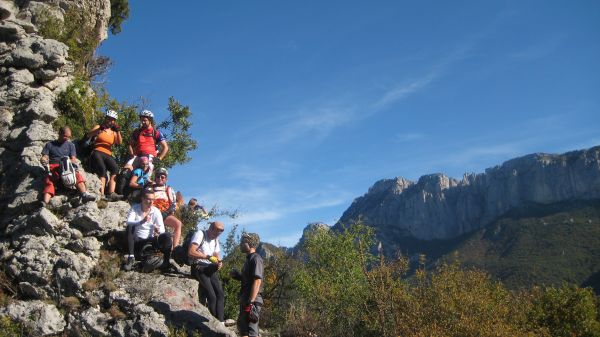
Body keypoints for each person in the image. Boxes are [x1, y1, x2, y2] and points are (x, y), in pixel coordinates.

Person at [39, 126, 95, 207]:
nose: (67, 138)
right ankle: (45, 202)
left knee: (77, 175)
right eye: (65, 136)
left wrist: (67, 163)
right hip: (54, 167)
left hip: (66, 167)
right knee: (49, 179)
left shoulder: (70, 145)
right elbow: (45, 156)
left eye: (69, 137)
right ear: (60, 133)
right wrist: (43, 159)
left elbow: (73, 159)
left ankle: (84, 195)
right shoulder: (50, 144)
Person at [123, 189, 173, 272]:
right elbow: (129, 222)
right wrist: (142, 221)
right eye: (149, 199)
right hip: (137, 241)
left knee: (167, 236)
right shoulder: (135, 208)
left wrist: (158, 231)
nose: (151, 202)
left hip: (150, 241)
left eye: (153, 199)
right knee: (130, 227)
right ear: (142, 199)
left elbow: (162, 230)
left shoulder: (156, 211)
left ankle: (166, 262)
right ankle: (131, 258)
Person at [188, 221, 225, 322]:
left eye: (220, 233)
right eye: (216, 232)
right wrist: (207, 257)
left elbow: (216, 254)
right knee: (212, 295)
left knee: (220, 294)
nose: (217, 235)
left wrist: (219, 262)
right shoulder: (200, 234)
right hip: (198, 266)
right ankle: (214, 322)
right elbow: (191, 251)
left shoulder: (215, 240)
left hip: (209, 267)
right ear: (211, 228)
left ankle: (221, 321)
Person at [231, 233, 263, 337]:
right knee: (243, 329)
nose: (240, 244)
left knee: (251, 330)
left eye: (242, 242)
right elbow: (249, 280)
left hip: (252, 300)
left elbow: (257, 281)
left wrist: (251, 302)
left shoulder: (256, 258)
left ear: (249, 244)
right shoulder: (249, 259)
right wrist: (238, 276)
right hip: (246, 298)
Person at [86, 109, 123, 201]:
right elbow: (89, 135)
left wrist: (118, 131)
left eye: (112, 119)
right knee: (102, 170)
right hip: (97, 151)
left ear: (114, 121)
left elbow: (119, 142)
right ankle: (102, 194)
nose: (110, 121)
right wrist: (99, 129)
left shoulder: (113, 132)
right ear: (105, 118)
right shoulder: (99, 127)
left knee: (115, 169)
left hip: (108, 153)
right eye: (109, 119)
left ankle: (111, 193)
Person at [123, 109, 168, 176]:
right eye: (141, 120)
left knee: (145, 176)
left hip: (149, 156)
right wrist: (132, 154)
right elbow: (130, 145)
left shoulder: (156, 133)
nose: (142, 122)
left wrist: (159, 158)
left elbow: (165, 147)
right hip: (137, 156)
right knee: (125, 172)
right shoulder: (137, 132)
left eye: (145, 120)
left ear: (150, 120)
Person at [152, 168, 182, 247]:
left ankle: (175, 248)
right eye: (158, 176)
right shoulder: (150, 188)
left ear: (166, 179)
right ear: (155, 178)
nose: (160, 178)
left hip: (165, 214)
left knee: (178, 224)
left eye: (162, 177)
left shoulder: (169, 189)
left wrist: (166, 213)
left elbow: (174, 204)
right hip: (152, 214)